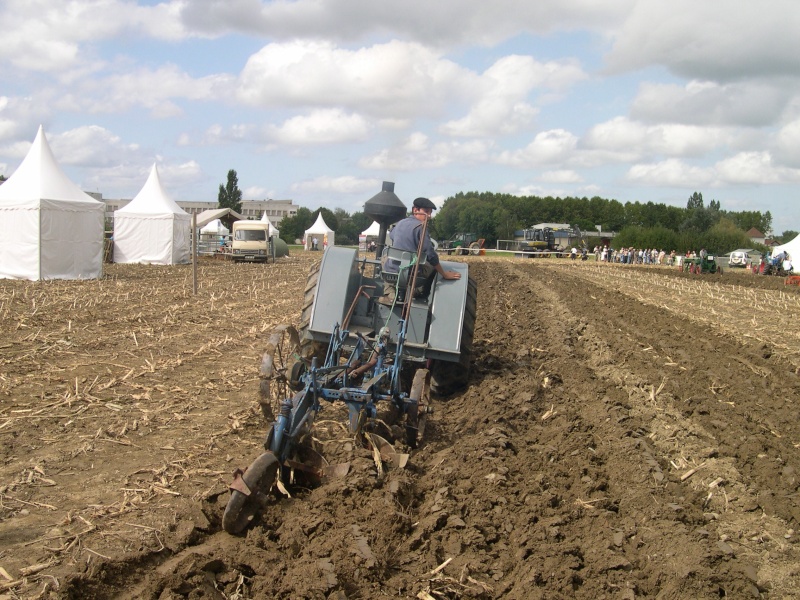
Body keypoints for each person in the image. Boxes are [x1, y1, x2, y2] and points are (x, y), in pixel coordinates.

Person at [383, 197, 461, 298]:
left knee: (385, 258)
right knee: (433, 264)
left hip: (392, 272)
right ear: (415, 210)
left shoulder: (400, 223)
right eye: (426, 212)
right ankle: (419, 292)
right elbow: (430, 254)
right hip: (412, 275)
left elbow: (392, 235)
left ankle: (390, 292)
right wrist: (444, 274)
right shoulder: (421, 227)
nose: (429, 216)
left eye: (430, 213)